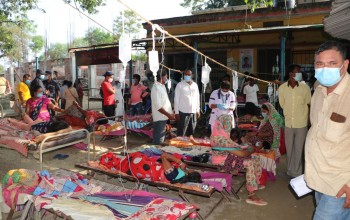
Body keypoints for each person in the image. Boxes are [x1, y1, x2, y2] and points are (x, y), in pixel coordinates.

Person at [304, 40, 350, 219]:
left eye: (332, 64)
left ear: (345, 65)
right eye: (320, 64)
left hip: (339, 185)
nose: (325, 69)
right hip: (317, 177)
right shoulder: (319, 90)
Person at [210, 119, 267, 206]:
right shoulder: (221, 139)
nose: (228, 127)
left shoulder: (224, 135)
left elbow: (240, 146)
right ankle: (251, 194)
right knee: (250, 162)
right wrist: (249, 149)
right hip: (223, 160)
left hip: (230, 156)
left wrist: (247, 147)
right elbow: (242, 153)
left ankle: (254, 182)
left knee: (256, 157)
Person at [278, 64, 311, 178]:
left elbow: (308, 103)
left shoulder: (305, 88)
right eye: (297, 72)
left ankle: (297, 173)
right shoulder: (282, 88)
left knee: (298, 148)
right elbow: (282, 104)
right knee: (289, 148)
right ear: (291, 74)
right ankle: (289, 171)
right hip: (288, 123)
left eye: (299, 72)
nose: (299, 74)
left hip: (301, 123)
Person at [174, 69, 200, 141]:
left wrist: (198, 110)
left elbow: (197, 98)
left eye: (189, 75)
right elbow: (176, 99)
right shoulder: (180, 85)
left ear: (192, 75)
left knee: (191, 131)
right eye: (185, 75)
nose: (187, 76)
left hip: (193, 111)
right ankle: (179, 144)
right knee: (181, 131)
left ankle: (190, 145)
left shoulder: (195, 85)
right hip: (182, 112)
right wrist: (176, 112)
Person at [151, 69, 175, 145]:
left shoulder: (162, 87)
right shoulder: (156, 88)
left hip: (164, 117)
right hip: (159, 118)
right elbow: (158, 106)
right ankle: (156, 156)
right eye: (166, 76)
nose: (167, 78)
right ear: (163, 77)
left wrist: (171, 112)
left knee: (161, 138)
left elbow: (165, 102)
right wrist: (169, 115)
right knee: (158, 141)